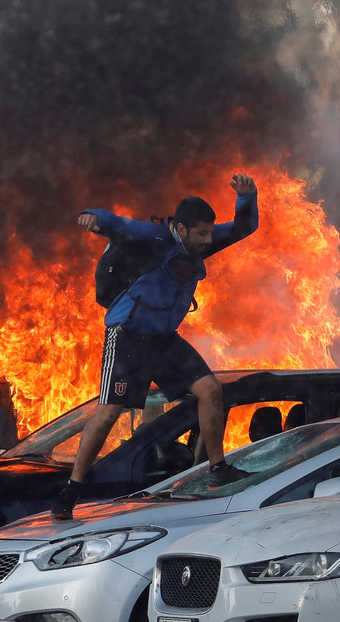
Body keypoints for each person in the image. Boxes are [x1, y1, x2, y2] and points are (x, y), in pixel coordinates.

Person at [51, 173, 260, 520]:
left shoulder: (204, 240)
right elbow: (117, 223)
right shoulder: (155, 239)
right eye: (202, 234)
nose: (209, 241)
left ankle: (217, 468)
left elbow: (244, 227)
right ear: (181, 229)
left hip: (164, 341)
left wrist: (247, 198)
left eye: (210, 233)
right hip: (128, 336)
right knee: (108, 414)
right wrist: (93, 217)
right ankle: (71, 491)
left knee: (210, 390)